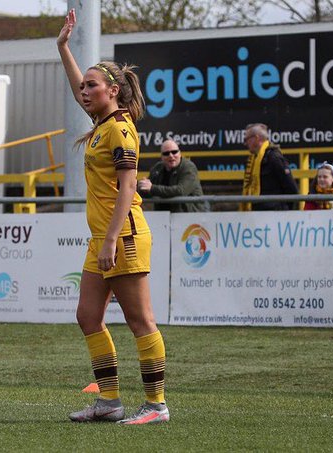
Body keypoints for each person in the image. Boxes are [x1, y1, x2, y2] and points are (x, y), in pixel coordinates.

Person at [57, 9, 169, 425]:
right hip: (103, 237)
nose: (84, 91)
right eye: (83, 85)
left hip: (122, 236)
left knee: (141, 321)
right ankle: (108, 401)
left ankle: (157, 406)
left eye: (92, 86)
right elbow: (76, 88)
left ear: (113, 90)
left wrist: (108, 240)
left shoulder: (121, 129)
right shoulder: (102, 122)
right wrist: (63, 46)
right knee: (88, 316)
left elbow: (127, 189)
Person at [137, 139, 208, 212]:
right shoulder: (157, 168)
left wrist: (152, 188)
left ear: (180, 153)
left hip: (190, 216)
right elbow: (148, 191)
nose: (171, 156)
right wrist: (143, 187)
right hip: (163, 216)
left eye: (174, 152)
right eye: (166, 153)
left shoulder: (188, 167)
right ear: (161, 156)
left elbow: (181, 191)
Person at [240, 123, 299, 211]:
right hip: (257, 212)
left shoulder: (274, 158)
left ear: (256, 138)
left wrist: (284, 211)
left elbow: (291, 189)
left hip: (275, 214)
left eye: (246, 139)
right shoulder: (251, 161)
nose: (245, 143)